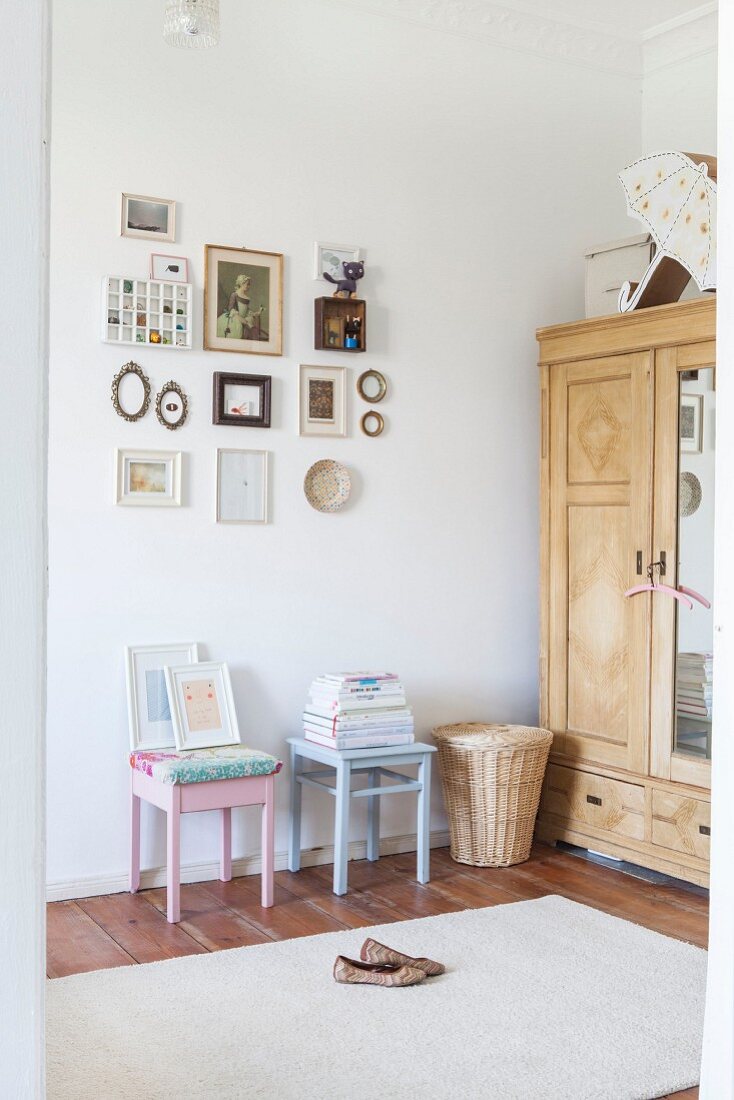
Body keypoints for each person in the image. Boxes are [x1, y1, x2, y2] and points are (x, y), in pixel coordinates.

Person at [216, 273, 266, 340]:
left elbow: (246, 310)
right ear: (241, 284)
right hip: (234, 317)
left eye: (249, 284)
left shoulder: (247, 298)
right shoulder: (235, 294)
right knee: (236, 328)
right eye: (247, 284)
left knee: (250, 322)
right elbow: (231, 309)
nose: (249, 286)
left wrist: (255, 313)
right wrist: (239, 317)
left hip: (244, 317)